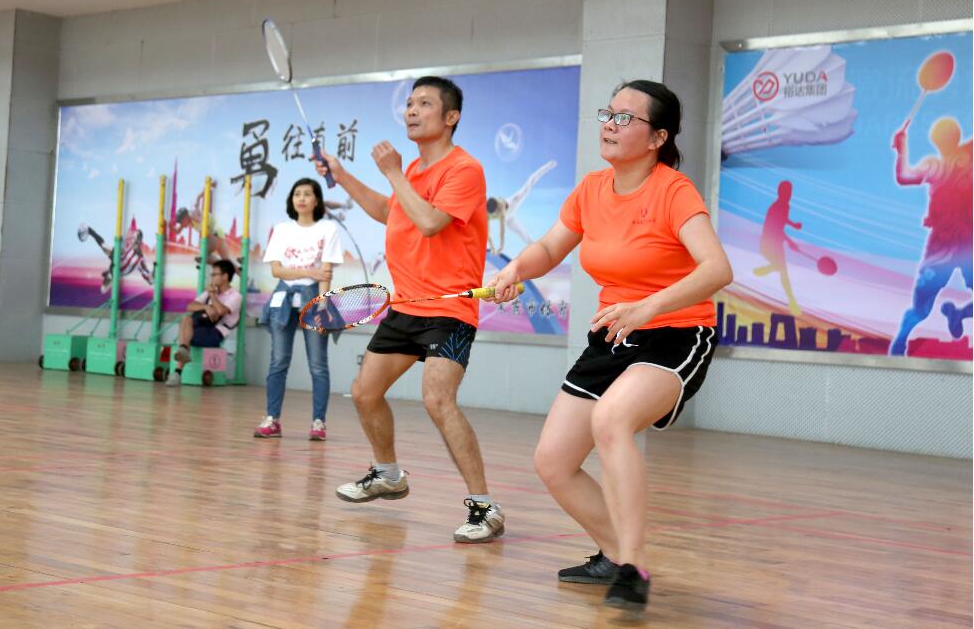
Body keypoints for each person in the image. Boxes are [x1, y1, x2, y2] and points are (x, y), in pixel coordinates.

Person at [488, 80, 733, 612]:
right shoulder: (592, 189)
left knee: (612, 420)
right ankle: (615, 553)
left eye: (626, 118)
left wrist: (648, 307)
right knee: (553, 461)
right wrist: (516, 269)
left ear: (657, 137)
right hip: (612, 334)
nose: (610, 124)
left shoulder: (673, 191)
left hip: (675, 333)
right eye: (608, 114)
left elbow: (717, 268)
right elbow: (551, 246)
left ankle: (633, 568)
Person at [315, 76, 503, 543]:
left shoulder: (464, 169)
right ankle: (388, 474)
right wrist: (342, 175)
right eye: (410, 103)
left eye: (424, 104)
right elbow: (389, 211)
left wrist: (394, 173)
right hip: (407, 305)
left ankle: (485, 507)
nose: (412, 111)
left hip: (449, 308)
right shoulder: (414, 172)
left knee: (438, 400)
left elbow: (431, 222)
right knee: (364, 392)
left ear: (451, 117)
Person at [254, 178, 344, 441]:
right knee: (278, 362)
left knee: (318, 365)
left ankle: (319, 423)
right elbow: (276, 270)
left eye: (307, 194)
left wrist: (323, 306)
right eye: (297, 194)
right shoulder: (282, 229)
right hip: (283, 299)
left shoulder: (328, 229)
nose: (301, 198)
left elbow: (325, 273)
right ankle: (272, 419)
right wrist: (310, 272)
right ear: (291, 200)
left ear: (317, 200)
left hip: (314, 301)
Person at [890, 117, 972, 355]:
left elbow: (904, 176)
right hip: (957, 243)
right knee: (921, 306)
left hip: (951, 245)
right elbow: (904, 178)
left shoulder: (935, 165)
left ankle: (900, 344)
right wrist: (902, 147)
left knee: (921, 308)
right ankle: (903, 340)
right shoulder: (966, 158)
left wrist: (901, 148)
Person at [167, 259, 242, 386]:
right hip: (202, 325)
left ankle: (177, 371)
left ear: (225, 276)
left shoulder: (235, 296)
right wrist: (206, 306)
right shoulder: (209, 292)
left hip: (216, 332)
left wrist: (212, 295)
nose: (212, 277)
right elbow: (190, 306)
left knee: (186, 336)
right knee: (186, 319)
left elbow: (221, 311)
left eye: (214, 274)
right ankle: (182, 353)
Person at [752, 180, 803, 315]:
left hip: (773, 243)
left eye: (790, 192)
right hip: (770, 243)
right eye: (787, 192)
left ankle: (791, 301)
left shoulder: (784, 205)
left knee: (782, 270)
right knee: (783, 271)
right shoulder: (779, 206)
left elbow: (783, 220)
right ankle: (792, 301)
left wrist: (793, 225)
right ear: (780, 192)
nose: (789, 195)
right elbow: (777, 228)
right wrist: (790, 242)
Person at [78, 221, 153, 293]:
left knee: (103, 289)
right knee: (104, 247)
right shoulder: (130, 247)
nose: (133, 240)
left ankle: (109, 274)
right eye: (133, 237)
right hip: (117, 261)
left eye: (135, 238)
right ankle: (89, 230)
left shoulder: (140, 260)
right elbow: (123, 254)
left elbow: (148, 277)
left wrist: (152, 276)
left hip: (117, 270)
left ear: (139, 241)